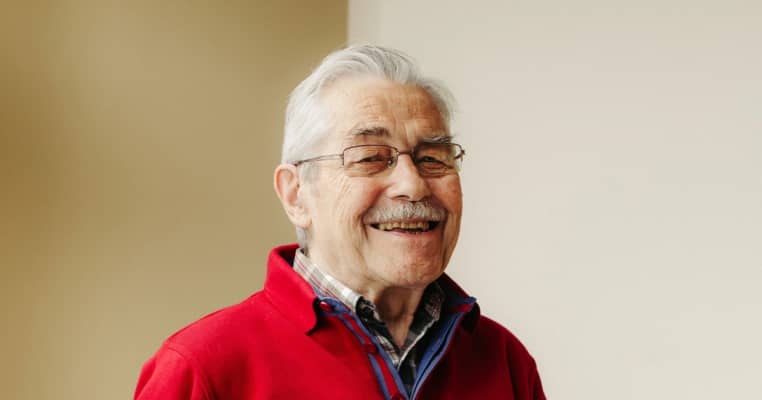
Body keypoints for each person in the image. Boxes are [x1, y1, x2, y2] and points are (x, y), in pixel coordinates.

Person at [134, 45, 546, 400]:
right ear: (296, 194)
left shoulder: (503, 360)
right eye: (370, 158)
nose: (412, 185)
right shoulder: (204, 368)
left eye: (432, 158)